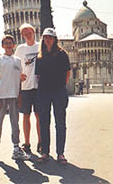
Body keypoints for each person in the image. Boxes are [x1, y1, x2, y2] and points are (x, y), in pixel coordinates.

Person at [0, 34, 30, 164]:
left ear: (13, 45)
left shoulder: (17, 61)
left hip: (14, 96)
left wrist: (19, 96)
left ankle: (16, 149)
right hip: (1, 96)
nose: (8, 45)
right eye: (5, 43)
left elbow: (18, 80)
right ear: (2, 45)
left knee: (15, 124)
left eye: (10, 43)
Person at [35, 27, 71, 165]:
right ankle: (45, 152)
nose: (47, 39)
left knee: (60, 123)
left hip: (58, 92)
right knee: (44, 122)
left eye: (49, 37)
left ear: (55, 39)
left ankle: (60, 153)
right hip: (43, 92)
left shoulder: (62, 54)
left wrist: (60, 86)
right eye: (45, 37)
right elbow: (38, 75)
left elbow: (67, 73)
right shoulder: (40, 56)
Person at [15, 23, 42, 154]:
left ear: (34, 32)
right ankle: (26, 143)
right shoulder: (20, 49)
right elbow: (15, 66)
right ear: (22, 35)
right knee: (26, 116)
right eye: (24, 33)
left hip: (38, 87)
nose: (27, 34)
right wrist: (18, 74)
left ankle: (41, 142)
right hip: (25, 87)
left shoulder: (40, 46)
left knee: (39, 116)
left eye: (29, 32)